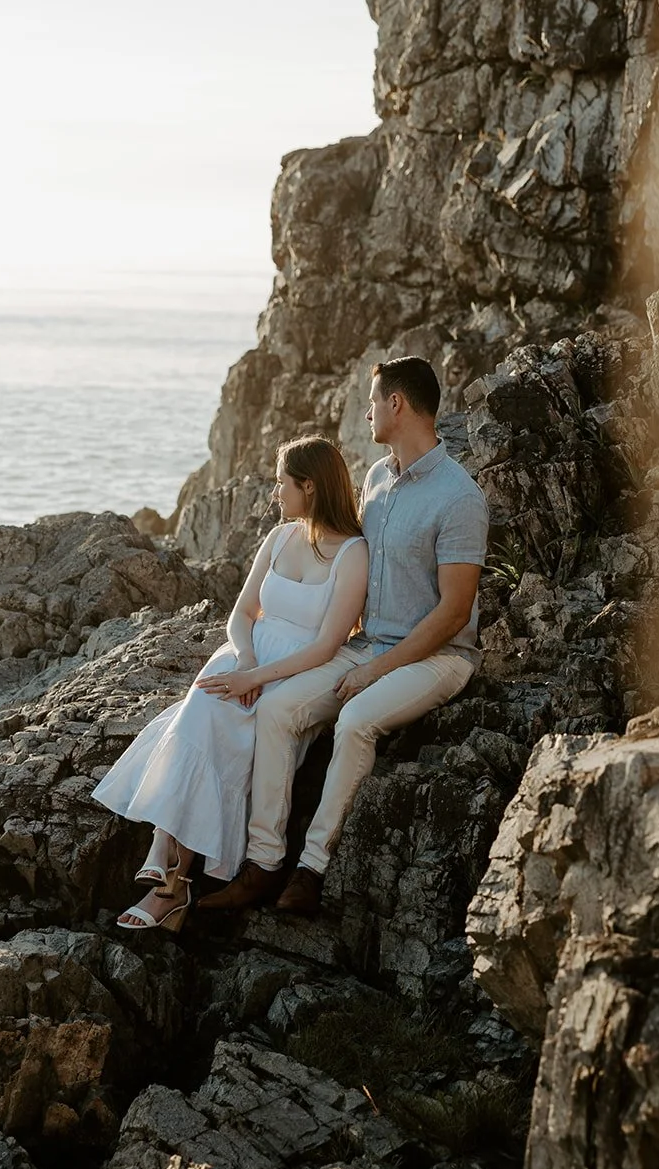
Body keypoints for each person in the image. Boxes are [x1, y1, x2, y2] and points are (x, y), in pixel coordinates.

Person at [201, 355, 490, 919]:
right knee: (277, 709)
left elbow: (454, 613)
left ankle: (311, 868)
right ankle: (263, 863)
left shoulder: (460, 498)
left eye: (373, 400)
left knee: (356, 721)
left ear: (397, 404)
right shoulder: (378, 478)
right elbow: (345, 561)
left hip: (438, 657)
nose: (366, 411)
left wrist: (372, 672)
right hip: (366, 644)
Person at [91, 436, 368, 932]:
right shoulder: (280, 537)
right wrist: (242, 659)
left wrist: (256, 678)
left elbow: (328, 644)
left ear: (309, 485)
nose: (275, 492)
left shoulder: (353, 553)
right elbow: (242, 613)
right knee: (199, 714)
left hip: (296, 669)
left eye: (282, 482)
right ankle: (168, 869)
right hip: (248, 653)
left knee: (223, 738)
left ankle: (168, 884)